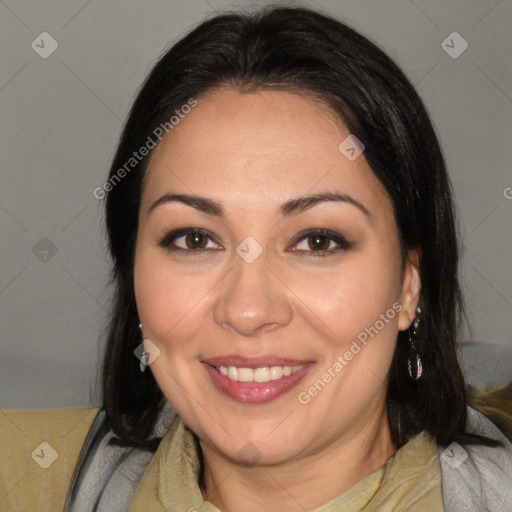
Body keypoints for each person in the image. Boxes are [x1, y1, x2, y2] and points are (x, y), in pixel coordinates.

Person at [1, 5, 511, 511]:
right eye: (194, 240)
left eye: (316, 241)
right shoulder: (25, 476)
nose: (247, 310)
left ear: (408, 284)